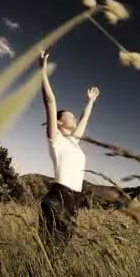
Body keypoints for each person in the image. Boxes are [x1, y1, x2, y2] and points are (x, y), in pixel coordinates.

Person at [38, 49, 99, 242]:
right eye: (69, 116)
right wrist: (43, 72)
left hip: (74, 199)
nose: (74, 118)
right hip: (59, 197)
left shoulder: (73, 142)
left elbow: (84, 120)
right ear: (59, 122)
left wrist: (90, 102)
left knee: (59, 251)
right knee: (50, 249)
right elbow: (50, 101)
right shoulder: (55, 138)